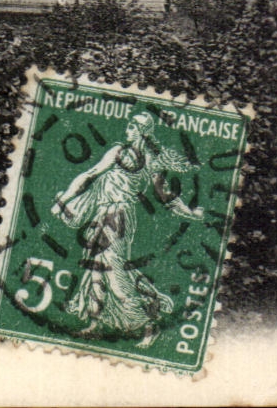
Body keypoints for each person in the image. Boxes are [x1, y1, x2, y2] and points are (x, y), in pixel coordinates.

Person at [51, 112, 204, 348]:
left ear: (143, 131)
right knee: (95, 271)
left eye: (133, 126)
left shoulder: (149, 160)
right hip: (102, 215)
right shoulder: (117, 152)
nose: (128, 130)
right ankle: (94, 323)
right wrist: (65, 199)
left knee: (115, 275)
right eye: (129, 126)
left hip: (119, 217)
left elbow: (165, 196)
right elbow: (90, 175)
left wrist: (190, 213)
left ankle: (149, 325)